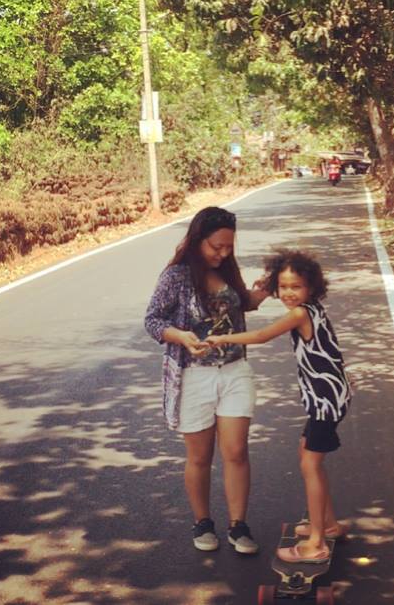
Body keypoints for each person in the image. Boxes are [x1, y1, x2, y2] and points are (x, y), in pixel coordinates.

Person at [207, 249, 352, 563]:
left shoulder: (300, 314)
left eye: (295, 287)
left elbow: (260, 335)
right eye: (283, 287)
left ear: (311, 288)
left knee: (310, 465)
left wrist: (223, 339)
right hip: (327, 398)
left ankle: (316, 542)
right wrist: (269, 287)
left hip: (325, 402)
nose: (289, 293)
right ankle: (328, 524)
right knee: (306, 453)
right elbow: (285, 297)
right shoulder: (310, 308)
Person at [144, 206, 269, 554]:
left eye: (228, 247)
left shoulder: (228, 271)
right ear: (198, 240)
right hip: (193, 376)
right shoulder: (177, 277)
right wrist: (181, 337)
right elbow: (152, 320)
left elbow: (240, 306)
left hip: (234, 371)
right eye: (216, 246)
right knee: (199, 457)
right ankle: (203, 522)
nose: (223, 253)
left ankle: (238, 526)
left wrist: (264, 292)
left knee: (236, 450)